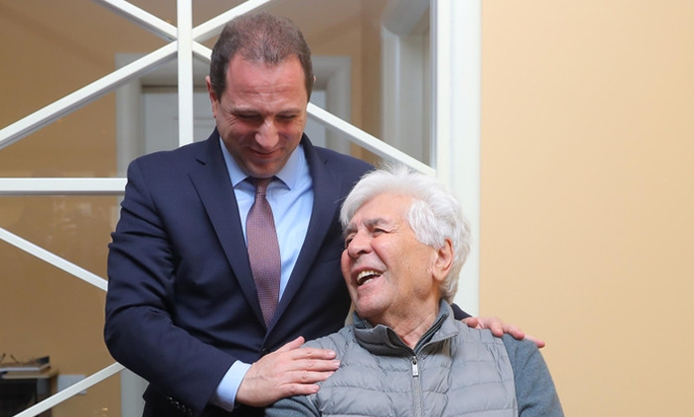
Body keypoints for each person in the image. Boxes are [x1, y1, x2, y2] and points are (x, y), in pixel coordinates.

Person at [104, 12, 535, 417]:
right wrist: (238, 379)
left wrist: (467, 328)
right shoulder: (158, 182)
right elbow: (131, 320)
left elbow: (395, 276)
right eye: (248, 116)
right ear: (214, 97)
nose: (268, 138)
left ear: (308, 94)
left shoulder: (356, 184)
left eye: (287, 116)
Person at [265, 164, 564, 417]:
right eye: (349, 239)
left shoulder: (514, 358)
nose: (354, 248)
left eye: (378, 230)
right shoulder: (304, 370)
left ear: (441, 257)